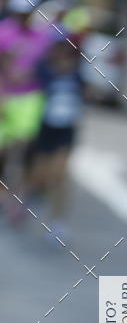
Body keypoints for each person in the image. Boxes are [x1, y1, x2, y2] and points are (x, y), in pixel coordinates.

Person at [0, 0, 52, 221]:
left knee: (24, 148)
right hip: (6, 94)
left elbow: (47, 66)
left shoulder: (42, 36)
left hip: (30, 98)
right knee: (3, 149)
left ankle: (17, 198)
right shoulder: (4, 31)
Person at [27, 36, 84, 238]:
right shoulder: (44, 69)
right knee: (41, 174)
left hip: (66, 130)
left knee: (60, 176)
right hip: (45, 128)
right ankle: (29, 195)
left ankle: (57, 222)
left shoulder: (78, 71)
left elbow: (84, 93)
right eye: (59, 47)